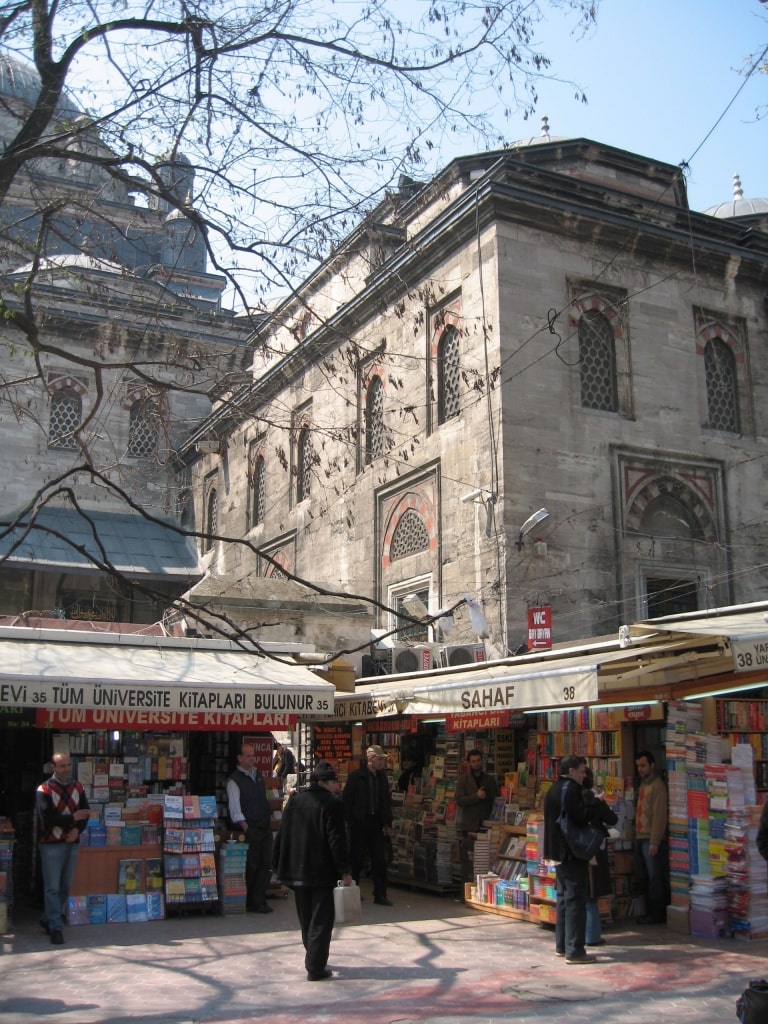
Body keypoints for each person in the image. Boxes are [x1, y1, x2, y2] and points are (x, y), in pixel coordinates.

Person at [272, 760, 352, 982]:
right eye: (335, 781)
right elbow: (337, 840)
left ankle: (313, 956)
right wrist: (345, 870)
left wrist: (278, 862)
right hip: (321, 871)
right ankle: (315, 967)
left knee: (306, 917)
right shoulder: (332, 804)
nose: (338, 786)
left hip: (296, 870)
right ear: (325, 782)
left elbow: (283, 833)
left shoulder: (296, 801)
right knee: (321, 920)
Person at [543, 754, 597, 965]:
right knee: (575, 898)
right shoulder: (571, 790)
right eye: (582, 771)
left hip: (556, 851)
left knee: (564, 897)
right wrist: (593, 804)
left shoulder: (552, 790)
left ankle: (562, 945)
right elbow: (581, 817)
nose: (584, 775)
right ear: (572, 771)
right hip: (571, 851)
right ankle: (575, 950)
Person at [36, 751, 91, 944]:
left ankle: (47, 918)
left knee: (65, 886)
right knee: (52, 886)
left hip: (72, 841)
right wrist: (72, 819)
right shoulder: (44, 790)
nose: (66, 769)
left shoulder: (78, 787)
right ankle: (55, 926)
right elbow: (46, 819)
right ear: (53, 768)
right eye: (62, 766)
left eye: (68, 765)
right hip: (51, 843)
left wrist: (77, 830)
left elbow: (85, 812)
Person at [226, 743, 274, 914]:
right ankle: (251, 901)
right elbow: (235, 808)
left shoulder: (257, 775)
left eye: (253, 755)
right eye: (248, 756)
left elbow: (263, 797)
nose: (252, 758)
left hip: (264, 825)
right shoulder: (234, 780)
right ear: (239, 758)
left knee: (266, 863)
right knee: (252, 865)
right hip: (251, 827)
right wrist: (246, 827)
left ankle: (259, 899)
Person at [342, 744, 393, 906]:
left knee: (379, 860)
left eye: (382, 759)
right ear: (370, 758)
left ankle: (380, 894)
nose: (382, 762)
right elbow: (347, 801)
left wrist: (387, 822)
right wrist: (351, 820)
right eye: (379, 759)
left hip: (376, 823)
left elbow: (385, 802)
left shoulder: (382, 778)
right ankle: (353, 891)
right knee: (356, 859)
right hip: (359, 824)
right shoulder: (357, 777)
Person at [582, 766, 618, 947]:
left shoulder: (573, 798)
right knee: (592, 894)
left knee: (583, 894)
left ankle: (582, 934)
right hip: (594, 849)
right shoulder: (593, 799)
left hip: (577, 849)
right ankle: (592, 935)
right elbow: (612, 819)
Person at [455, 748, 499, 894]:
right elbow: (460, 800)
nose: (476, 764)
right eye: (473, 761)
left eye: (478, 761)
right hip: (469, 825)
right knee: (468, 862)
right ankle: (465, 893)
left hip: (485, 824)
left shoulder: (489, 780)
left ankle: (483, 891)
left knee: (484, 859)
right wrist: (476, 796)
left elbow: (495, 800)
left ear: (482, 762)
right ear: (469, 763)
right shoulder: (464, 780)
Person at [633, 749, 669, 925]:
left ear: (652, 766)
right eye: (638, 766)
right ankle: (649, 912)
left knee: (655, 878)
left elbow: (659, 816)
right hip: (640, 836)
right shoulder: (643, 785)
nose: (640, 769)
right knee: (644, 877)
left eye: (643, 765)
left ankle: (657, 914)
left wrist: (655, 841)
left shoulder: (657, 786)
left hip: (650, 839)